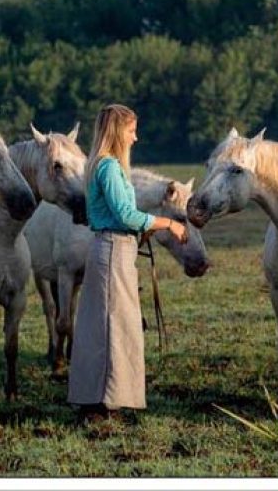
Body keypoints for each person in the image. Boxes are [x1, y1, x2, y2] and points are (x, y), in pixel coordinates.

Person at [68, 104, 188, 423]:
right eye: (131, 130)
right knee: (114, 325)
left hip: (113, 247)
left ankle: (100, 399)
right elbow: (126, 215)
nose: (136, 137)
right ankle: (107, 402)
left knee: (104, 325)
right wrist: (169, 224)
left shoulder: (105, 167)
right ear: (118, 132)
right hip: (112, 249)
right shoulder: (108, 168)